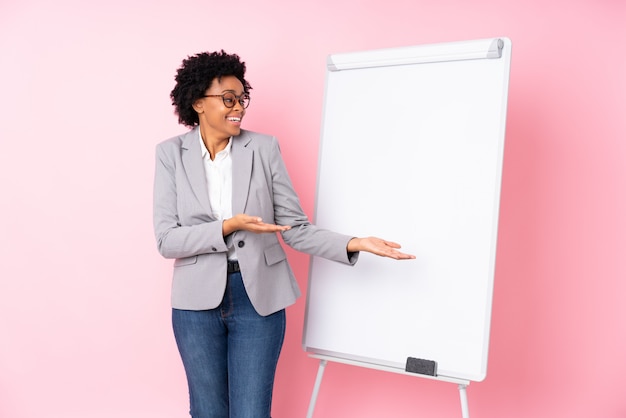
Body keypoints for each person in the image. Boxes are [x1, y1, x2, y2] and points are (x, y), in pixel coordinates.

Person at [153, 50, 415, 418]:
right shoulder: (170, 155)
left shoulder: (263, 148)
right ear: (198, 102)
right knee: (207, 411)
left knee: (252, 412)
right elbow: (167, 239)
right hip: (195, 304)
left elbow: (294, 228)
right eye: (228, 99)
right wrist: (228, 226)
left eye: (242, 98)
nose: (239, 107)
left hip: (258, 297)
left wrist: (353, 243)